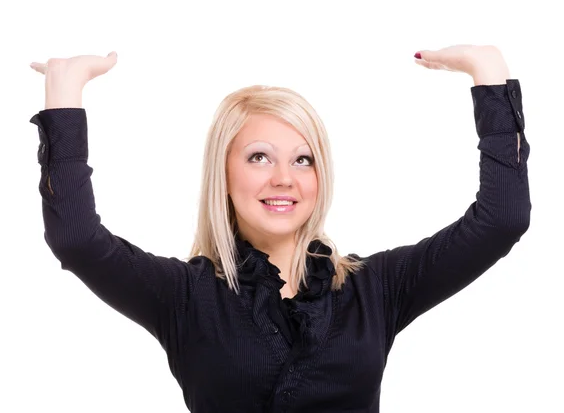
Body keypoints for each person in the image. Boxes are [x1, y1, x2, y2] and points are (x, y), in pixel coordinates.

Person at [29, 45, 531, 412]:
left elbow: (501, 219)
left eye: (303, 160)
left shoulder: (374, 289)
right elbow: (76, 238)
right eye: (259, 157)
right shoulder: (183, 296)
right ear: (223, 175)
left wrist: (488, 73)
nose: (284, 179)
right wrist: (64, 92)